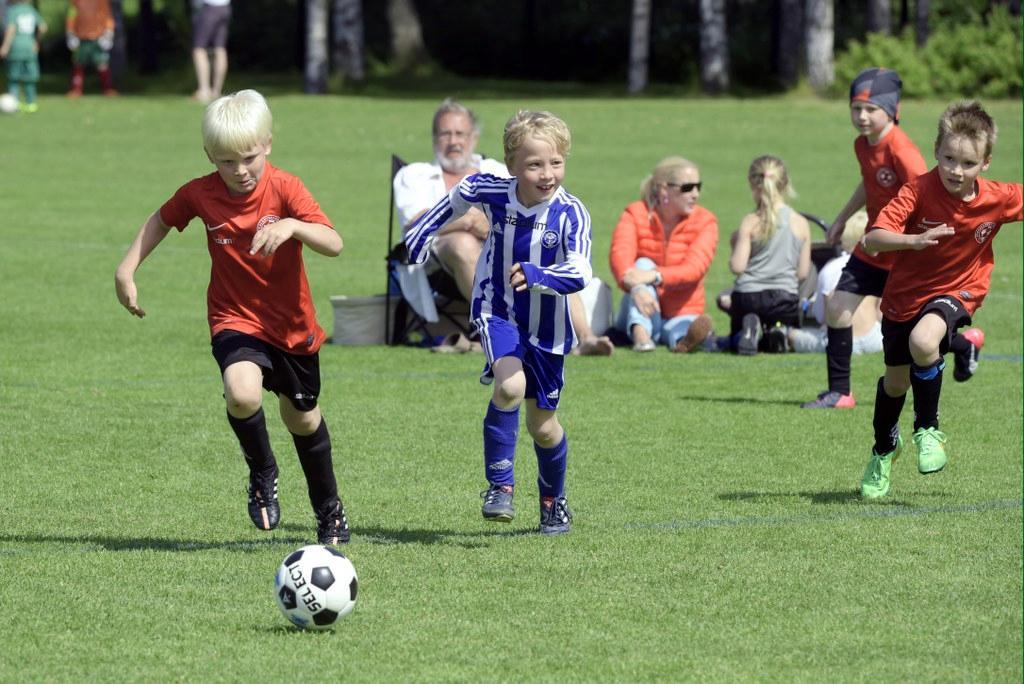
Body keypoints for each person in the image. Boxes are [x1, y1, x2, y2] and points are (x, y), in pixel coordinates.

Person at [114, 90, 352, 544]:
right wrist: (127, 268)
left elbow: (334, 242)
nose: (239, 171)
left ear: (267, 145)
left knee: (302, 419)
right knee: (242, 395)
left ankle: (329, 509)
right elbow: (161, 220)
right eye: (226, 162)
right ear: (210, 156)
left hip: (291, 327)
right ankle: (262, 471)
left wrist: (293, 226)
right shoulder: (200, 194)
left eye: (248, 158)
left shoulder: (285, 187)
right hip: (233, 318)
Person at [405, 110, 589, 535]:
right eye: (535, 164)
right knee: (510, 386)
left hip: (549, 329)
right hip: (497, 309)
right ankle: (500, 486)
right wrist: (419, 237)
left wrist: (541, 275)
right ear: (512, 167)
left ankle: (553, 501)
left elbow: (580, 271)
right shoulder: (493, 190)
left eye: (556, 163)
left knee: (544, 428)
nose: (547, 174)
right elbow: (460, 194)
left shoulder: (571, 214)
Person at [859, 100, 1022, 499]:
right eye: (949, 158)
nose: (956, 170)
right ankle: (884, 449)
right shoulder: (917, 191)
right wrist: (912, 240)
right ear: (936, 151)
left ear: (985, 163)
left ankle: (927, 431)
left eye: (967, 163)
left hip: (959, 289)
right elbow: (872, 239)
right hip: (903, 297)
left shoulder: (998, 198)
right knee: (895, 384)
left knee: (924, 341)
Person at [394, 98, 613, 355]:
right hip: (437, 259)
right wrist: (469, 221)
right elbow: (416, 224)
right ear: (434, 138)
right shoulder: (414, 175)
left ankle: (585, 337)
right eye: (446, 133)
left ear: (473, 137)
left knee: (546, 250)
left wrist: (484, 224)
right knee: (462, 243)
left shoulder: (495, 170)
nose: (454, 141)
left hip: (501, 246)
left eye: (460, 133)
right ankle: (499, 325)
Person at [801, 68, 929, 407]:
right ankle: (840, 392)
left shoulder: (902, 151)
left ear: (892, 110)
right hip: (873, 246)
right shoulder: (863, 145)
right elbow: (869, 183)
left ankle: (964, 344)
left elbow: (925, 194)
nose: (862, 116)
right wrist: (842, 218)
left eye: (871, 109)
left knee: (918, 332)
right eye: (856, 109)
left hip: (902, 250)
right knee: (838, 307)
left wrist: (911, 242)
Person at [609, 156, 717, 353]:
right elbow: (620, 257)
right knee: (642, 264)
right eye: (687, 188)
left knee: (684, 327)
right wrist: (636, 288)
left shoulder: (705, 221)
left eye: (698, 187)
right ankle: (641, 333)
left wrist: (655, 275)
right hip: (638, 303)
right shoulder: (635, 214)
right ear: (663, 189)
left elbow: (695, 268)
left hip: (682, 310)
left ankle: (683, 341)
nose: (695, 194)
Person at [728, 155, 811, 355]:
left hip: (749, 296)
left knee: (733, 339)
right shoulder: (800, 223)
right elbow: (802, 273)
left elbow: (737, 267)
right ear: (786, 183)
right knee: (781, 319)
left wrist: (734, 245)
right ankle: (777, 329)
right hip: (784, 297)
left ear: (752, 183)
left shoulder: (750, 221)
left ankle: (748, 331)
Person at [787, 211, 884, 355]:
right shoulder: (876, 266)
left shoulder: (830, 268)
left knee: (791, 335)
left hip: (838, 340)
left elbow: (821, 317)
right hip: (874, 341)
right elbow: (880, 313)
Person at [0, 0, 46, 113]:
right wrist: (36, 42)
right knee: (29, 78)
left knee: (14, 78)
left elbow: (11, 29)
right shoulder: (30, 10)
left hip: (16, 48)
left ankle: (13, 103)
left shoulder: (13, 11)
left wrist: (5, 46)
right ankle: (31, 103)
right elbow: (43, 27)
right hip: (30, 48)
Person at [65, 0, 116, 96]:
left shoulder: (102, 1)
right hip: (81, 38)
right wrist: (70, 33)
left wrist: (108, 34)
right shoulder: (75, 1)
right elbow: (71, 17)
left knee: (102, 64)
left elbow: (108, 17)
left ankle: (107, 89)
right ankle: (76, 89)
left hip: (98, 37)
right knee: (78, 63)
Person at [191, 0, 231, 104]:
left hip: (209, 8)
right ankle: (216, 91)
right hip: (225, 7)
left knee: (199, 49)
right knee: (220, 49)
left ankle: (204, 90)